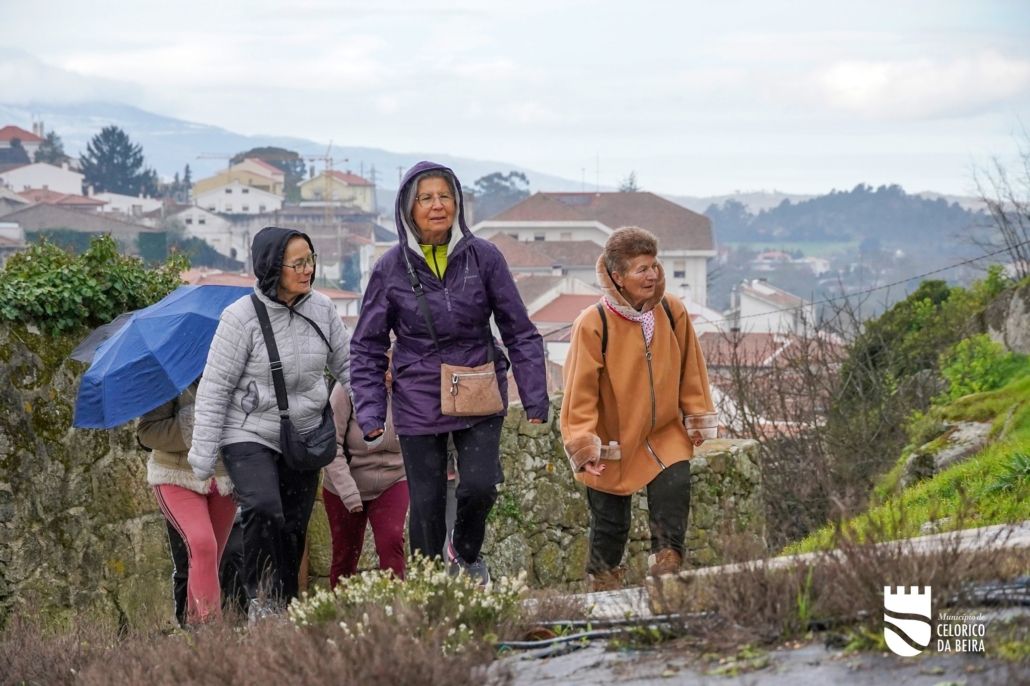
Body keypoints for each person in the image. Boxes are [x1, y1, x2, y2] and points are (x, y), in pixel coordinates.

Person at [350, 161, 548, 585]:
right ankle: (427, 586)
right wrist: (370, 413)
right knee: (427, 502)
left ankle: (466, 553)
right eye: (426, 198)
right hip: (418, 392)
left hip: (478, 382)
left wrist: (535, 396)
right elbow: (366, 345)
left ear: (457, 203)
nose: (437, 205)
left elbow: (519, 329)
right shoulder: (390, 267)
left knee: (480, 485)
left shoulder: (484, 257)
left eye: (445, 196)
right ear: (408, 209)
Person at [188, 226, 351, 615]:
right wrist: (203, 455)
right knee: (263, 507)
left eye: (310, 259)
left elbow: (349, 365)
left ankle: (284, 606)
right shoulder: (239, 318)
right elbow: (214, 388)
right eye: (298, 263)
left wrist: (375, 414)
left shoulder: (323, 309)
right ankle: (261, 599)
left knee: (293, 526)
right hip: (248, 430)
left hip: (305, 433)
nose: (308, 269)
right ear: (271, 268)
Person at [560, 227, 718, 592]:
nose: (652, 275)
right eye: (641, 269)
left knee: (674, 493)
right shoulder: (593, 323)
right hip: (612, 440)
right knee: (611, 525)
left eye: (654, 266)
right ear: (617, 277)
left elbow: (691, 369)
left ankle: (667, 566)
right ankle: (603, 585)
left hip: (665, 432)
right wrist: (583, 444)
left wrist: (696, 416)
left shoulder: (672, 310)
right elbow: (579, 392)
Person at [138, 381, 236, 624]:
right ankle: (212, 628)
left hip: (224, 477)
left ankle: (197, 630)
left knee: (209, 559)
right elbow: (147, 433)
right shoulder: (171, 376)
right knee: (202, 544)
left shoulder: (238, 369)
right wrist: (197, 421)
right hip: (176, 475)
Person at [323, 358, 408, 585]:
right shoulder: (346, 387)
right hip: (344, 482)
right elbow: (330, 444)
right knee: (345, 555)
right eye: (386, 362)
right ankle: (341, 606)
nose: (391, 371)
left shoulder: (409, 387)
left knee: (392, 542)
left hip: (393, 479)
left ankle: (397, 605)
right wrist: (349, 493)